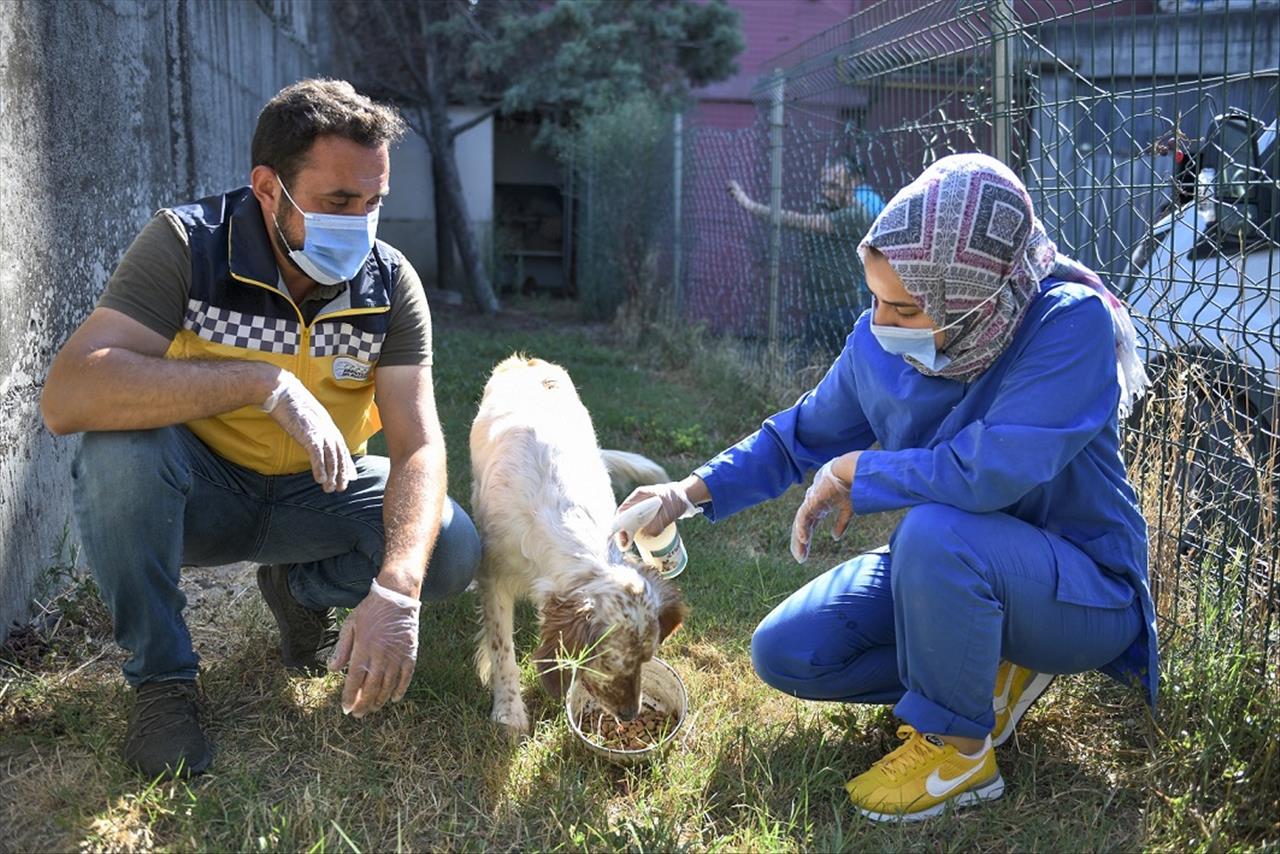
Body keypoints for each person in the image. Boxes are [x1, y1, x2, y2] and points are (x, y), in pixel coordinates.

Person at [623, 153, 1157, 821]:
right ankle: (979, 672)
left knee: (935, 532)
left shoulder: (1068, 323)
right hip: (953, 565)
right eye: (875, 297)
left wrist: (861, 472)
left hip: (1079, 588)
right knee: (788, 651)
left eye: (904, 307)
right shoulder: (882, 339)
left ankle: (960, 752)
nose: (881, 323)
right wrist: (687, 493)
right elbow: (799, 434)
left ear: (977, 298)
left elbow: (987, 471)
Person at [40, 79, 481, 778]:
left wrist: (396, 590)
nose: (360, 225)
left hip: (317, 493)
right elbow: (68, 394)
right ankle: (162, 682)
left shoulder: (390, 283)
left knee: (450, 546)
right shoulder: (189, 244)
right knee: (118, 449)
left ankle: (299, 593)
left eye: (375, 203)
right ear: (269, 188)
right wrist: (262, 381)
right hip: (199, 494)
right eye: (339, 203)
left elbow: (419, 444)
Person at [727, 155, 886, 352]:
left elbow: (803, 222)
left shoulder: (856, 214)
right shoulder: (826, 206)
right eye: (824, 184)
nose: (826, 191)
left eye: (834, 186)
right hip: (818, 307)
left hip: (843, 308)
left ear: (852, 185)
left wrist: (749, 205)